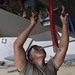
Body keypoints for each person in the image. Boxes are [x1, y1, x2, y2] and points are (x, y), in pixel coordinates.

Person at [13, 6, 69, 75]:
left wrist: (64, 24)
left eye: (38, 48)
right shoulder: (26, 69)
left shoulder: (51, 67)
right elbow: (17, 45)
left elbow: (62, 48)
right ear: (31, 57)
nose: (40, 48)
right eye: (37, 48)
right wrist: (32, 24)